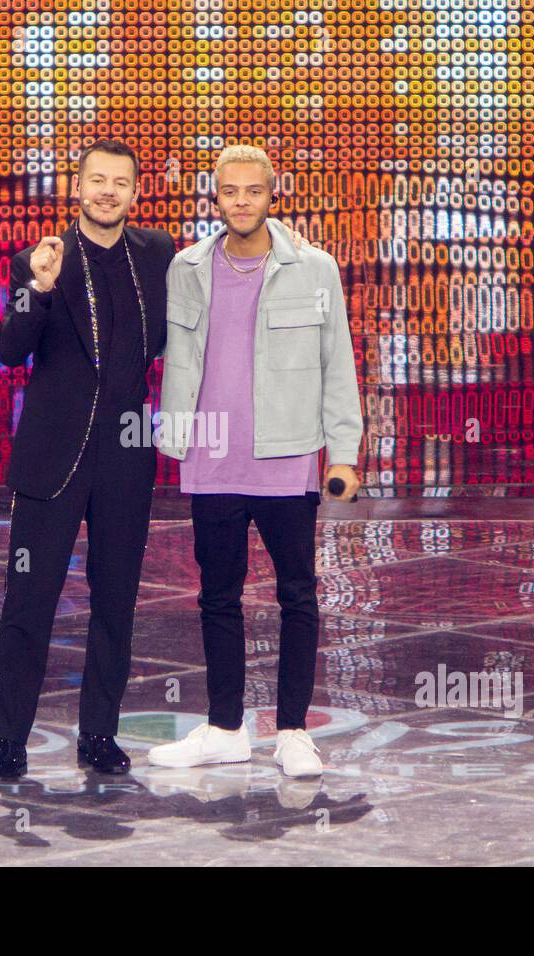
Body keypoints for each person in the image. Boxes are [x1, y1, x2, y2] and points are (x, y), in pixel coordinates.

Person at [148, 144, 365, 778]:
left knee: (297, 595)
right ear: (214, 198)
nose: (241, 202)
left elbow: (338, 367)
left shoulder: (315, 269)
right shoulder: (186, 268)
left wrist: (344, 454)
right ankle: (224, 728)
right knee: (218, 596)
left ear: (274, 194)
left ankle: (294, 730)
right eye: (229, 191)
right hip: (212, 454)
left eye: (253, 190)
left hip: (287, 455)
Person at [0, 139, 174, 783]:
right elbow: (10, 350)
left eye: (121, 182)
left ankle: (100, 734)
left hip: (126, 452)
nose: (108, 192)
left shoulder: (160, 254)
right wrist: (34, 288)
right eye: (98, 180)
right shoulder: (38, 260)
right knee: (29, 601)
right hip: (51, 455)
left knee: (116, 600)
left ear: (136, 192)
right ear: (78, 186)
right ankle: (8, 742)